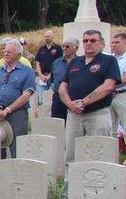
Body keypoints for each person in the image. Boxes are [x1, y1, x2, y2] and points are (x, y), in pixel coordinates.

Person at [58, 30, 120, 163]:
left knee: (98, 152)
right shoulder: (75, 62)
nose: (89, 43)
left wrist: (83, 102)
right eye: (85, 41)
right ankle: (70, 182)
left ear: (101, 43)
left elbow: (108, 86)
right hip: (74, 115)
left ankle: (99, 182)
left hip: (97, 114)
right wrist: (70, 104)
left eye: (93, 40)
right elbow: (62, 87)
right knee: (71, 153)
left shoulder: (109, 60)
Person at [0, 39, 35, 159]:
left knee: (17, 149)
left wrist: (7, 110)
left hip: (16, 114)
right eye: (4, 51)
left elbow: (26, 95)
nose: (5, 54)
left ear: (18, 55)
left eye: (9, 52)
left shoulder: (27, 72)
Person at [50, 38, 78, 121]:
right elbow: (52, 80)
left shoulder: (80, 62)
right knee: (56, 122)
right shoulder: (56, 62)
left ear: (76, 48)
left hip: (73, 97)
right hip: (57, 97)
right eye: (63, 46)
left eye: (67, 46)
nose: (64, 48)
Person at [35, 30, 63, 105]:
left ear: (53, 37)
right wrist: (40, 75)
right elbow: (37, 63)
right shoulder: (41, 49)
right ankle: (39, 109)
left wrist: (50, 75)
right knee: (38, 94)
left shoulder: (58, 48)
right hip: (43, 77)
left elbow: (59, 63)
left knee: (58, 94)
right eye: (45, 36)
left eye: (48, 36)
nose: (46, 38)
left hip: (54, 77)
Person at [107, 32, 126, 132]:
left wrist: (107, 84)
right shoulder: (109, 58)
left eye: (117, 42)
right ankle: (113, 147)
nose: (113, 44)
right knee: (110, 128)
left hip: (122, 95)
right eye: (112, 42)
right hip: (108, 95)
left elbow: (124, 78)